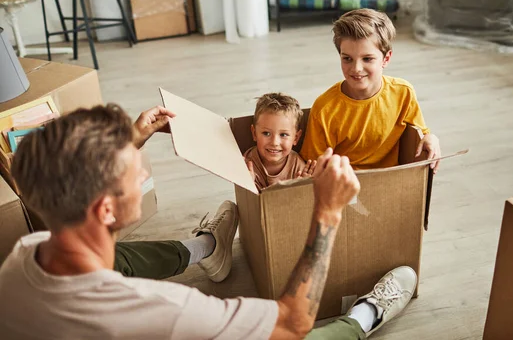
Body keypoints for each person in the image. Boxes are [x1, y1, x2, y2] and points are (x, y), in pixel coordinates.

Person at [0, 104, 418, 339]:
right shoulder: (163, 310)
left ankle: (204, 248)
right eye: (134, 174)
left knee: (116, 255)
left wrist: (131, 138)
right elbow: (291, 322)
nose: (144, 175)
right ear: (105, 209)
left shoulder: (22, 258)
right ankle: (364, 317)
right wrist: (327, 211)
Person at [300, 9, 442, 173]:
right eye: (347, 59)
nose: (356, 68)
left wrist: (432, 138)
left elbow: (421, 134)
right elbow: (313, 166)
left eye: (367, 59)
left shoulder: (403, 93)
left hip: (390, 182)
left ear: (386, 59)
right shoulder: (324, 108)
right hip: (343, 186)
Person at [245, 92, 316, 190]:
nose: (274, 142)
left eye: (283, 135)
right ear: (254, 133)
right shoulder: (249, 163)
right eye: (266, 133)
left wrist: (302, 186)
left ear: (295, 138)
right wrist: (248, 183)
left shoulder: (297, 166)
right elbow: (250, 200)